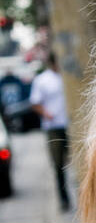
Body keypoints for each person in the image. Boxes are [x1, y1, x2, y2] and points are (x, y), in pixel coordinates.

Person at [28, 53, 71, 213]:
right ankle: (64, 199)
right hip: (54, 126)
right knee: (58, 164)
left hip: (71, 124)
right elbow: (35, 102)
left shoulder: (67, 75)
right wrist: (46, 113)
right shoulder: (43, 80)